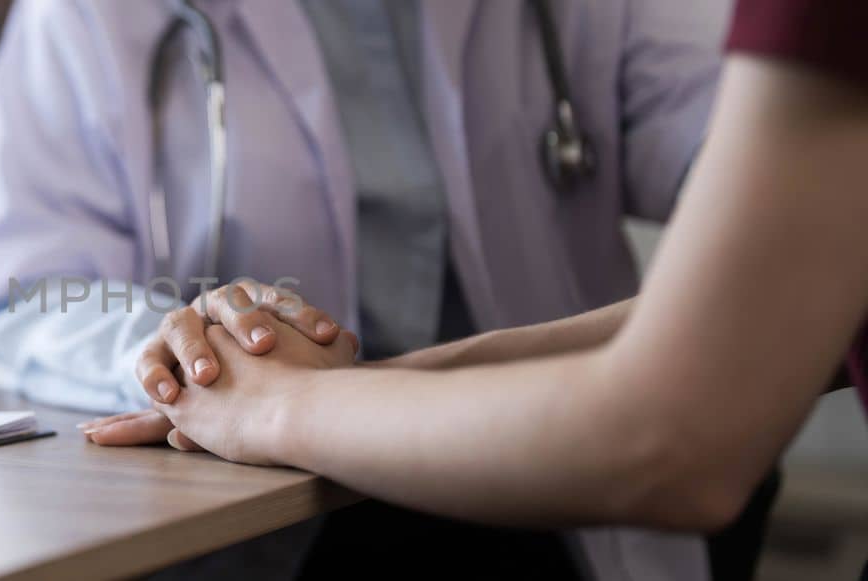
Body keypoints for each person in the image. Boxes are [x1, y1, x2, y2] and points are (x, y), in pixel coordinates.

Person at [0, 0, 733, 578]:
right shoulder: (85, 15)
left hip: (542, 485)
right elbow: (22, 283)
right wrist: (190, 349)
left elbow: (761, 174)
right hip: (266, 514)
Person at [117, 0, 868, 575]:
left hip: (546, 481)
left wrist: (279, 403)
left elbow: (674, 430)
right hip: (319, 494)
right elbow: (783, 286)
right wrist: (323, 381)